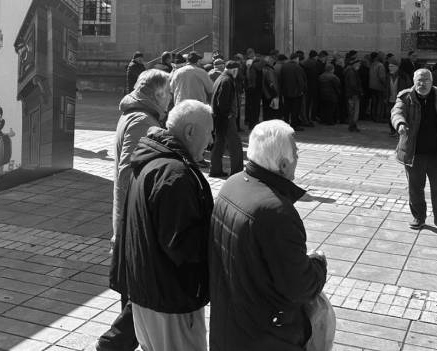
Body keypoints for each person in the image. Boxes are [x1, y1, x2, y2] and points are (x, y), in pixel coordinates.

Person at [209, 120, 327, 351]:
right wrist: (318, 265)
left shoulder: (232, 184)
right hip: (266, 336)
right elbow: (299, 286)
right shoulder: (278, 212)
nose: (298, 156)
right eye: (296, 152)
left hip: (230, 326)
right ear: (284, 164)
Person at [111, 100, 214, 351]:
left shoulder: (152, 159)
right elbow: (182, 245)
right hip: (171, 300)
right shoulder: (174, 173)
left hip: (149, 293)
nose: (211, 141)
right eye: (210, 132)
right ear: (190, 132)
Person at [97, 69, 172, 351]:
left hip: (129, 217)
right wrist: (125, 223)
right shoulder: (142, 119)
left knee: (134, 292)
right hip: (133, 218)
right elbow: (127, 172)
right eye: (169, 94)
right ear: (158, 94)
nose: (170, 101)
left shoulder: (135, 114)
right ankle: (112, 345)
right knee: (137, 294)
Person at [391, 69, 437, 235]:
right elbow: (397, 112)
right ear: (414, 82)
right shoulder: (406, 97)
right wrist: (400, 124)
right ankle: (418, 217)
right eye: (419, 81)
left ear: (431, 81)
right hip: (414, 153)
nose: (422, 84)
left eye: (426, 80)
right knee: (415, 188)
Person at [210, 60, 244, 178]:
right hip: (226, 118)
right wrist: (228, 114)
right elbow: (222, 101)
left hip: (219, 117)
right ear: (234, 70)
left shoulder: (221, 78)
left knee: (219, 143)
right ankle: (237, 172)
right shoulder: (227, 80)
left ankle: (215, 170)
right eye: (237, 71)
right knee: (235, 145)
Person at [280, 53, 307, 131]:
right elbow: (300, 81)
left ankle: (285, 124)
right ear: (296, 59)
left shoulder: (284, 66)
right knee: (295, 109)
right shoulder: (297, 67)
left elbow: (281, 79)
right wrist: (302, 90)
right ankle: (294, 125)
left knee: (287, 109)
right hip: (296, 93)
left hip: (286, 92)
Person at [387, 57, 412, 137]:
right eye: (389, 66)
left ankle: (399, 131)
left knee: (400, 114)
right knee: (390, 115)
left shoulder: (403, 76)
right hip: (390, 99)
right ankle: (392, 130)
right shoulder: (387, 76)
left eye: (392, 66)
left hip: (400, 100)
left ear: (397, 67)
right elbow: (385, 87)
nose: (390, 68)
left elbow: (409, 87)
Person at [344, 57, 364, 132]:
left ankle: (352, 125)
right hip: (353, 94)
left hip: (351, 94)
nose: (359, 65)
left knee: (352, 111)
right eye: (359, 64)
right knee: (354, 111)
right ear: (355, 64)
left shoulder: (350, 71)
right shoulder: (352, 72)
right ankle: (352, 125)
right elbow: (353, 84)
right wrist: (359, 91)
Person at [369, 52, 387, 122]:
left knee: (374, 102)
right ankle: (378, 117)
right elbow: (382, 77)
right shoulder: (380, 65)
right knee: (379, 103)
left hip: (372, 86)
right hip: (379, 87)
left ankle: (373, 116)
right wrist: (385, 85)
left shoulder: (372, 64)